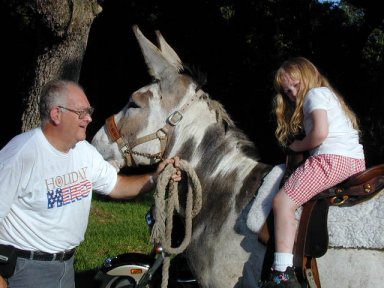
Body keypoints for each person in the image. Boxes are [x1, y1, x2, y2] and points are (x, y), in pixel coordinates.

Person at [0, 79, 181, 288]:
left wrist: (156, 177)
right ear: (56, 114)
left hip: (66, 267)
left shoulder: (83, 152)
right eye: (81, 112)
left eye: (89, 111)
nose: (89, 118)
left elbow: (117, 186)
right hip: (27, 270)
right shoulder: (20, 156)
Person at [261, 57, 365, 287]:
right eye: (287, 91)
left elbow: (319, 134)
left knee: (282, 203)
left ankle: (282, 273)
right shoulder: (328, 96)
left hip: (330, 159)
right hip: (354, 161)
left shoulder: (314, 95)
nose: (292, 93)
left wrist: (297, 146)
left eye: (295, 85)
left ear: (309, 77)